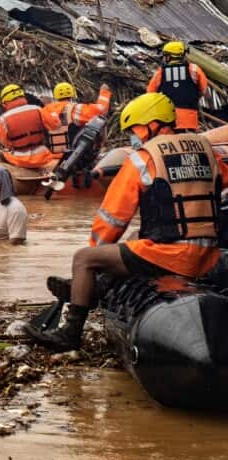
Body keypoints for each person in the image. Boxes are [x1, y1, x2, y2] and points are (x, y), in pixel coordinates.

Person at [25, 93, 228, 351]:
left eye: (134, 130)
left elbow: (112, 219)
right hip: (208, 256)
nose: (134, 136)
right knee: (135, 239)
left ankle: (70, 333)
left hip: (172, 256)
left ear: (150, 125)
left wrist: (95, 257)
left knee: (84, 258)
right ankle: (97, 287)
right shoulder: (208, 152)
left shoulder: (144, 158)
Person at [146, 41, 208, 132]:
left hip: (168, 119)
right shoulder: (194, 69)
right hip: (189, 118)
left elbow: (150, 93)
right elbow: (203, 90)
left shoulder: (161, 72)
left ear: (169, 56)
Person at [0, 83, 57, 169]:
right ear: (23, 96)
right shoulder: (37, 109)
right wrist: (53, 114)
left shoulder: (3, 119)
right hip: (42, 156)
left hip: (18, 159)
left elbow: (4, 142)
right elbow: (54, 125)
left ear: (5, 102)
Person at [43, 82, 112, 155]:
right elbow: (101, 111)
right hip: (71, 157)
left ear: (55, 95)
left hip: (50, 156)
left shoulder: (45, 110)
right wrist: (104, 92)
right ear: (72, 94)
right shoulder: (74, 109)